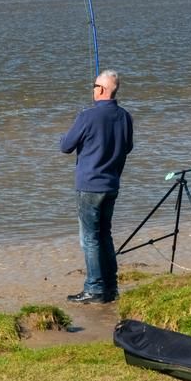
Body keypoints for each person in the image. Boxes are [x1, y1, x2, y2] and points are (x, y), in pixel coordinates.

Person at [59, 69, 134, 304]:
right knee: (105, 235)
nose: (92, 90)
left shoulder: (88, 116)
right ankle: (111, 286)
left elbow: (65, 146)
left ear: (101, 90)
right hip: (111, 183)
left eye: (94, 86)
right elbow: (127, 147)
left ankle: (94, 288)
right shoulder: (124, 116)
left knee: (90, 238)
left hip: (90, 186)